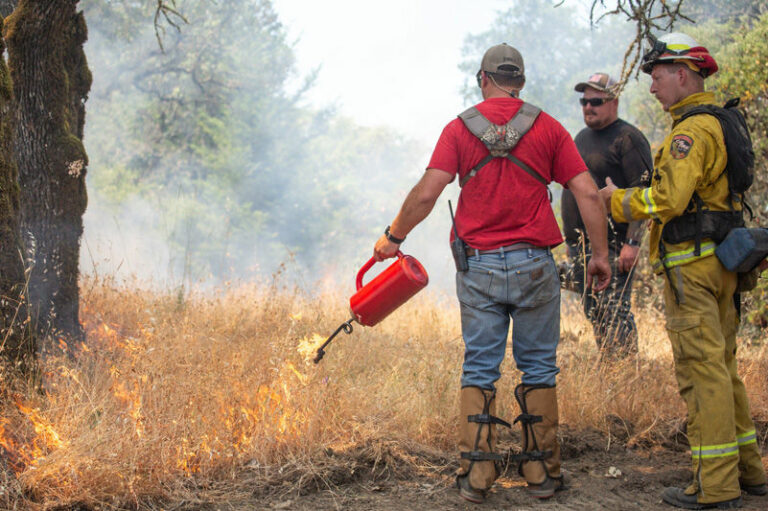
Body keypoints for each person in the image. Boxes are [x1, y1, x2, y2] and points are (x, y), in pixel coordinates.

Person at [373, 43, 611, 504]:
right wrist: (598, 254)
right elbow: (587, 192)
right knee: (539, 366)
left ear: (482, 78)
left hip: (479, 266)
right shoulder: (548, 128)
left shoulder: (459, 129)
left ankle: (477, 479)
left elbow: (427, 193)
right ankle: (542, 476)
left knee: (480, 365)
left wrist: (394, 237)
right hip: (536, 265)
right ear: (520, 80)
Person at [599, 32, 767, 509]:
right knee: (724, 369)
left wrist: (619, 202)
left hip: (691, 268)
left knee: (702, 374)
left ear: (682, 74)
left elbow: (668, 200)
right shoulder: (721, 122)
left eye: (656, 77)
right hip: (722, 264)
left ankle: (714, 488)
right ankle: (749, 474)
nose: (652, 87)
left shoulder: (690, 132)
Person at [561, 72, 652, 357]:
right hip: (581, 244)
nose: (589, 106)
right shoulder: (581, 138)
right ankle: (610, 367)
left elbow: (645, 194)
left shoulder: (628, 138)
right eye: (584, 101)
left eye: (596, 100)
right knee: (594, 309)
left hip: (614, 245)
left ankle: (623, 372)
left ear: (613, 101)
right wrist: (571, 242)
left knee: (614, 310)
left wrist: (633, 243)